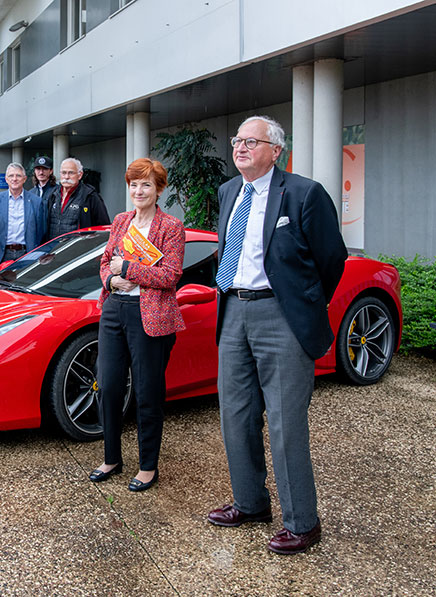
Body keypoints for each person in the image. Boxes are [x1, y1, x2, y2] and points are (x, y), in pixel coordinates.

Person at [208, 116, 347, 555]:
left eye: (252, 141)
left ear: (276, 150)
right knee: (235, 415)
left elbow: (331, 260)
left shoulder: (305, 193)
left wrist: (300, 304)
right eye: (237, 140)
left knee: (286, 423)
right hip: (233, 310)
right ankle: (250, 503)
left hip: (280, 316)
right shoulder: (229, 192)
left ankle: (302, 522)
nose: (241, 147)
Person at [89, 159, 185, 493]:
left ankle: (148, 466)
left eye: (146, 185)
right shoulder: (120, 221)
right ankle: (111, 457)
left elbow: (170, 276)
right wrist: (112, 279)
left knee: (147, 393)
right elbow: (104, 262)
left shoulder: (170, 226)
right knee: (109, 386)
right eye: (133, 184)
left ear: (159, 189)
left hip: (151, 316)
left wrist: (128, 269)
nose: (138, 191)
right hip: (115, 310)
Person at [0, 162, 44, 267]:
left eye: (18, 175)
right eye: (11, 176)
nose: (14, 179)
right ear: (6, 179)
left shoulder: (36, 202)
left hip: (27, 253)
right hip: (3, 254)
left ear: (24, 179)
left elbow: (40, 230)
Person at [45, 157, 110, 240]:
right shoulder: (53, 194)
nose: (66, 177)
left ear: (80, 175)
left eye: (71, 173)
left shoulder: (90, 196)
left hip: (77, 250)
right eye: (63, 173)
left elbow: (103, 227)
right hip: (54, 249)